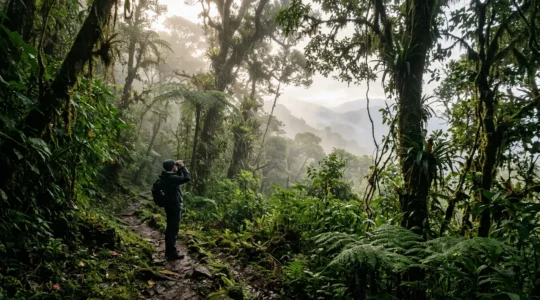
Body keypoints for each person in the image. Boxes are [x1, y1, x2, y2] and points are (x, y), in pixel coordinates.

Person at [160, 159, 191, 261]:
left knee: (170, 229)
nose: (176, 166)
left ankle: (169, 252)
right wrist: (182, 167)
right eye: (174, 165)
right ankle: (171, 253)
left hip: (170, 206)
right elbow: (187, 178)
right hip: (174, 206)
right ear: (172, 167)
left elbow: (177, 177)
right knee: (173, 229)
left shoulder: (167, 176)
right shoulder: (171, 178)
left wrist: (178, 169)